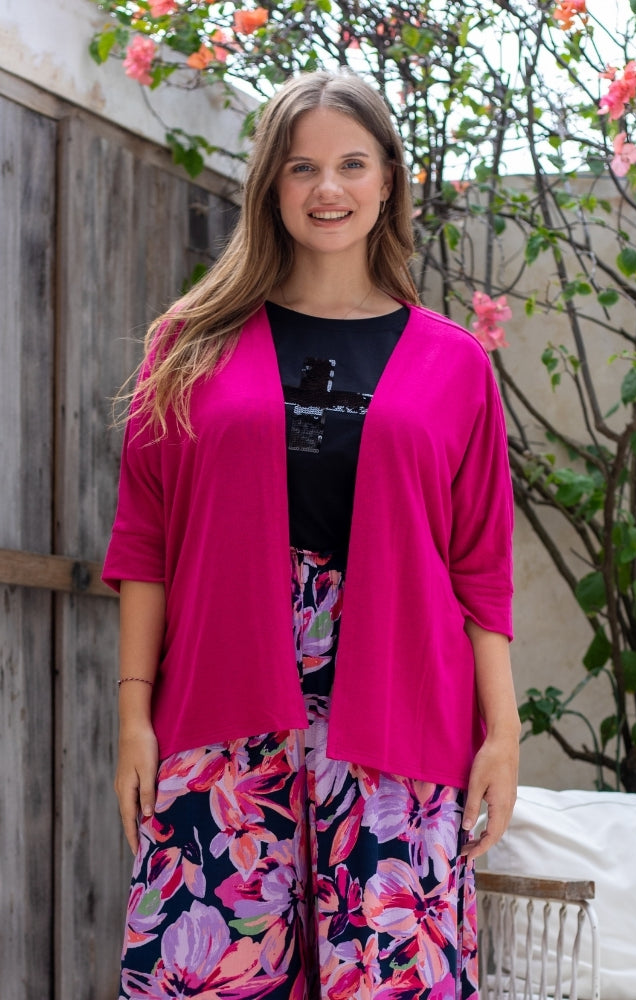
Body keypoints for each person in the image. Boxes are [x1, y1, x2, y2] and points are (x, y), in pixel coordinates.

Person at [103, 69, 520, 1000]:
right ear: (271, 185)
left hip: (404, 705)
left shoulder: (455, 364)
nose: (327, 189)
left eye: (350, 164)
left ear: (386, 181)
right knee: (211, 971)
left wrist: (504, 731)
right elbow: (145, 543)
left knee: (391, 978)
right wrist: (134, 715)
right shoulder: (190, 346)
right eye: (301, 168)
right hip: (220, 705)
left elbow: (480, 564)